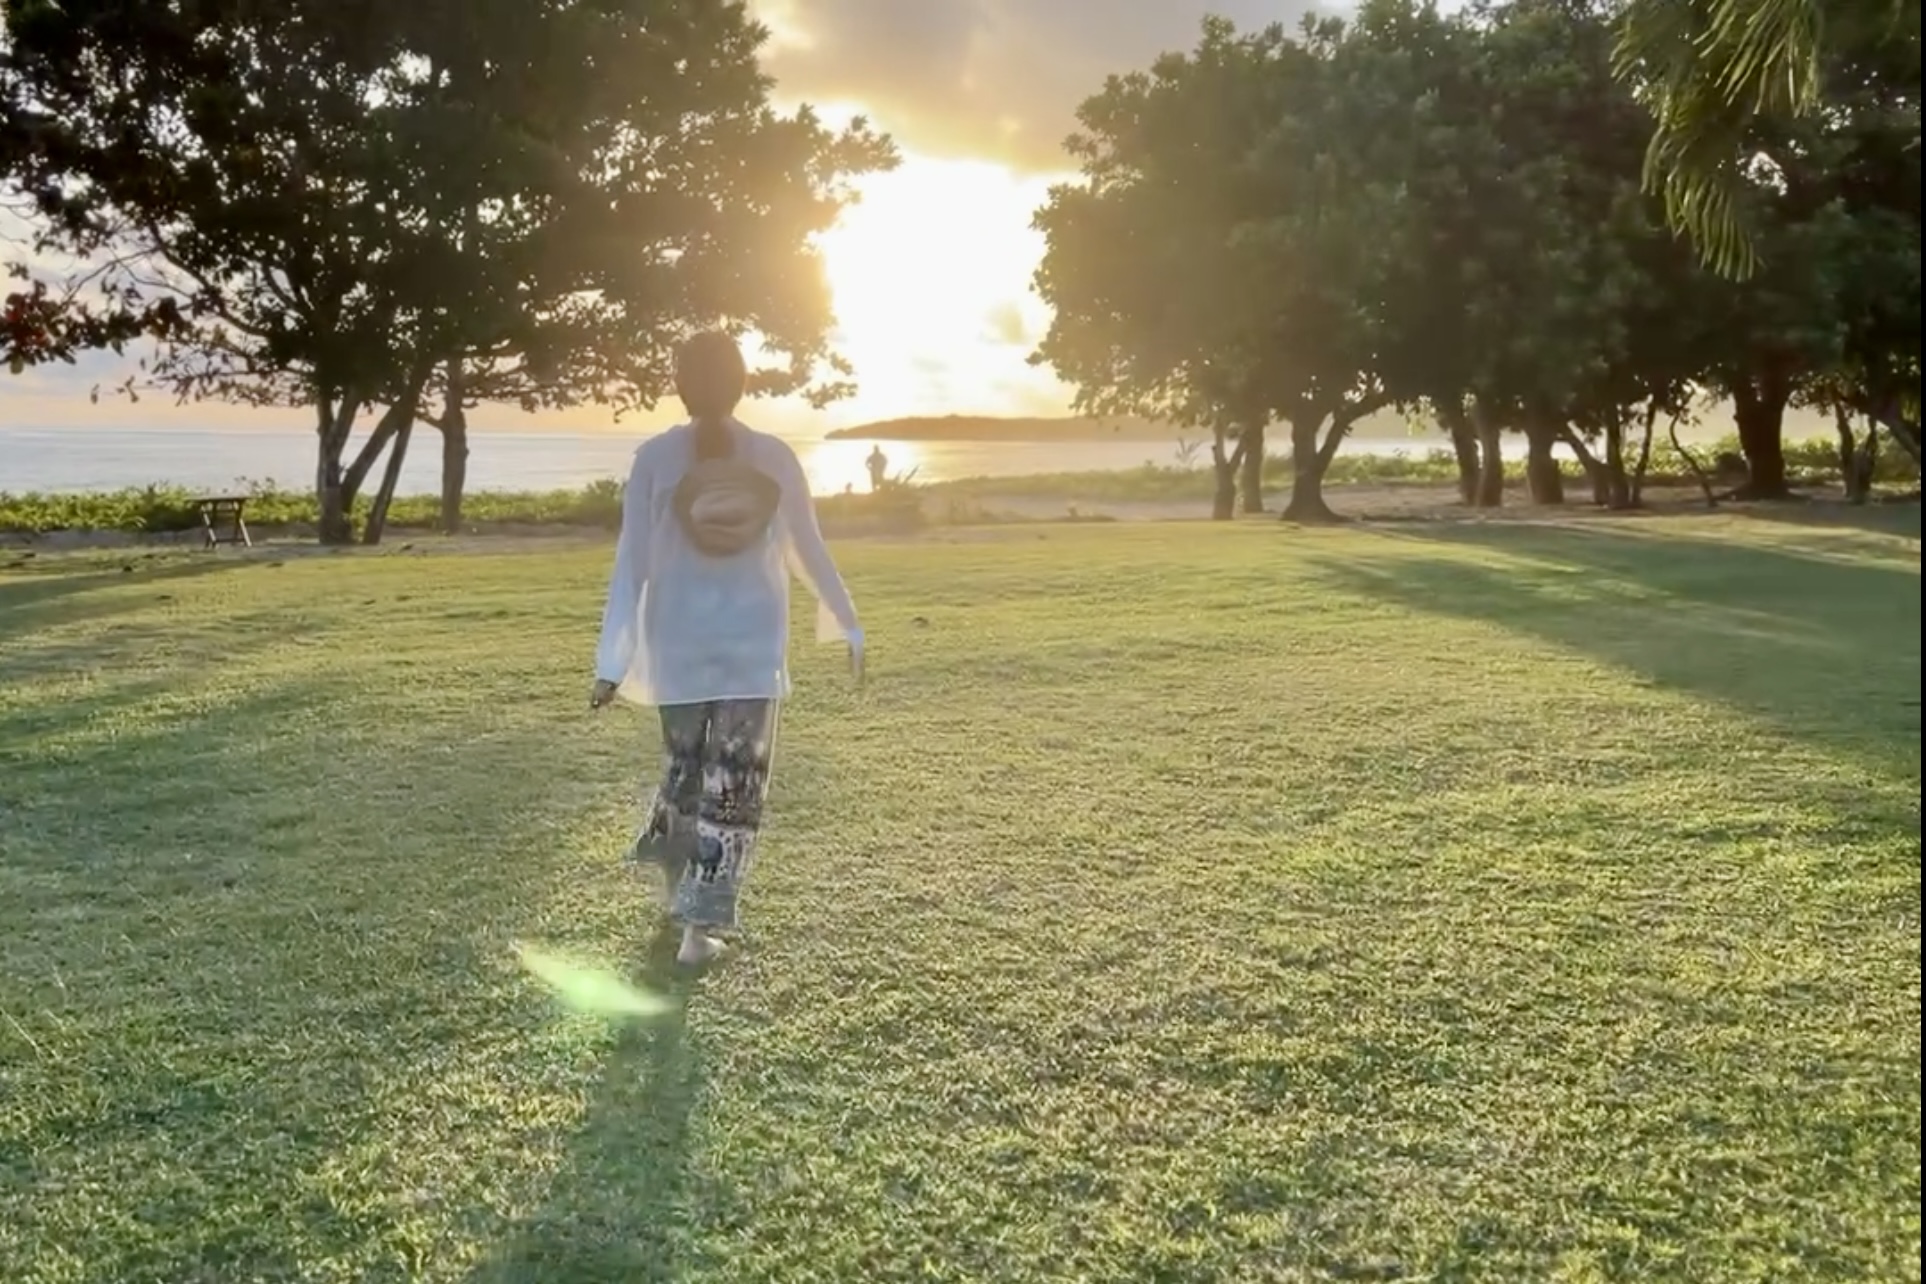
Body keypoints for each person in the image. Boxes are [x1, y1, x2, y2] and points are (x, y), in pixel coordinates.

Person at [591, 331, 863, 966]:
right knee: (732, 788)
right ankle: (694, 936)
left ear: (680, 386)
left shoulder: (655, 459)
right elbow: (808, 551)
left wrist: (612, 663)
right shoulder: (774, 456)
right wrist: (847, 624)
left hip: (677, 646)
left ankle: (674, 903)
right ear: (742, 384)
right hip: (750, 650)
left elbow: (631, 564)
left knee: (683, 776)